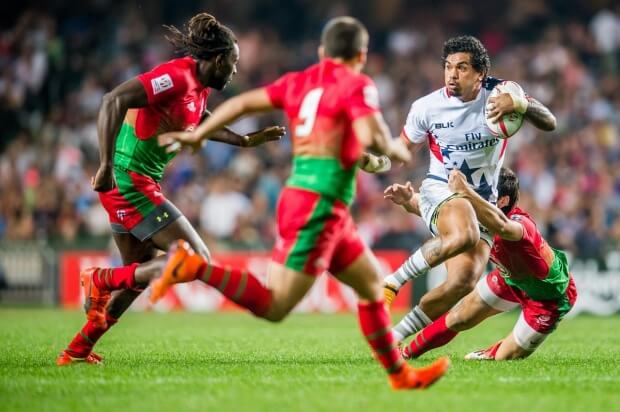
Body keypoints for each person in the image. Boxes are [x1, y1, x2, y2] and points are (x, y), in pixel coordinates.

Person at [154, 16, 449, 390]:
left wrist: (200, 135)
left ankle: (400, 376)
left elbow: (244, 103)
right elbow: (370, 137)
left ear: (323, 52)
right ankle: (194, 266)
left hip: (318, 204)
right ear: (361, 54)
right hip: (318, 207)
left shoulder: (300, 81)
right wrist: (390, 152)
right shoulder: (358, 84)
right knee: (275, 307)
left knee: (373, 286)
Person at [56, 13, 284, 366]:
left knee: (139, 275)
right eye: (234, 64)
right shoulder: (175, 76)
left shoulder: (200, 88)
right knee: (196, 259)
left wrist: (244, 140)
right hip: (128, 180)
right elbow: (113, 100)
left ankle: (77, 349)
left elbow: (199, 120)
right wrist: (104, 164)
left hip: (135, 181)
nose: (236, 72)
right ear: (219, 59)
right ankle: (101, 279)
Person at [382, 35, 557, 343]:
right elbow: (400, 149)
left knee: (463, 282)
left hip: (482, 202)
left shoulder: (500, 94)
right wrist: (372, 160)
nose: (452, 74)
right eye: (448, 67)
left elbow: (550, 122)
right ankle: (393, 282)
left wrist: (522, 104)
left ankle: (393, 337)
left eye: (462, 68)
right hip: (442, 188)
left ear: (480, 74)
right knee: (464, 234)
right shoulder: (426, 107)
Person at [393, 169, 577, 360]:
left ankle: (492, 353)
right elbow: (439, 211)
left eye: (484, 191)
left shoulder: (520, 224)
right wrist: (408, 199)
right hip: (510, 281)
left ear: (502, 201)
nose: (477, 195)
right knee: (459, 317)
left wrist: (465, 191)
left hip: (549, 298)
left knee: (505, 357)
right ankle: (405, 354)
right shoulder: (477, 219)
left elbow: (502, 227)